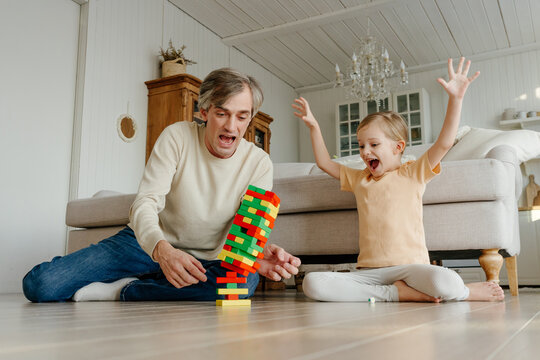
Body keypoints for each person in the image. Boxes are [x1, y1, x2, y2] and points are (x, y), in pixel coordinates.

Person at [23, 68, 301, 302]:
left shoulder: (260, 162)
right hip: (146, 244)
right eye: (222, 113)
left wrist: (258, 254)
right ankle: (152, 274)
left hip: (207, 259)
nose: (231, 126)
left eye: (242, 116)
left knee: (239, 286)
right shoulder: (177, 137)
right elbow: (145, 202)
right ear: (204, 112)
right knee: (41, 286)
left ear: (250, 118)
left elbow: (246, 230)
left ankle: (125, 289)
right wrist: (162, 250)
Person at [292, 57, 504, 302]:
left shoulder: (413, 172)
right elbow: (325, 163)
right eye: (361, 145)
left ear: (398, 147)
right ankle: (396, 293)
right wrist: (314, 127)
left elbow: (445, 142)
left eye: (373, 144)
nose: (364, 151)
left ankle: (465, 292)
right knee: (312, 283)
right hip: (369, 272)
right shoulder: (360, 179)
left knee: (446, 282)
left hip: (411, 268)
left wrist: (455, 99)